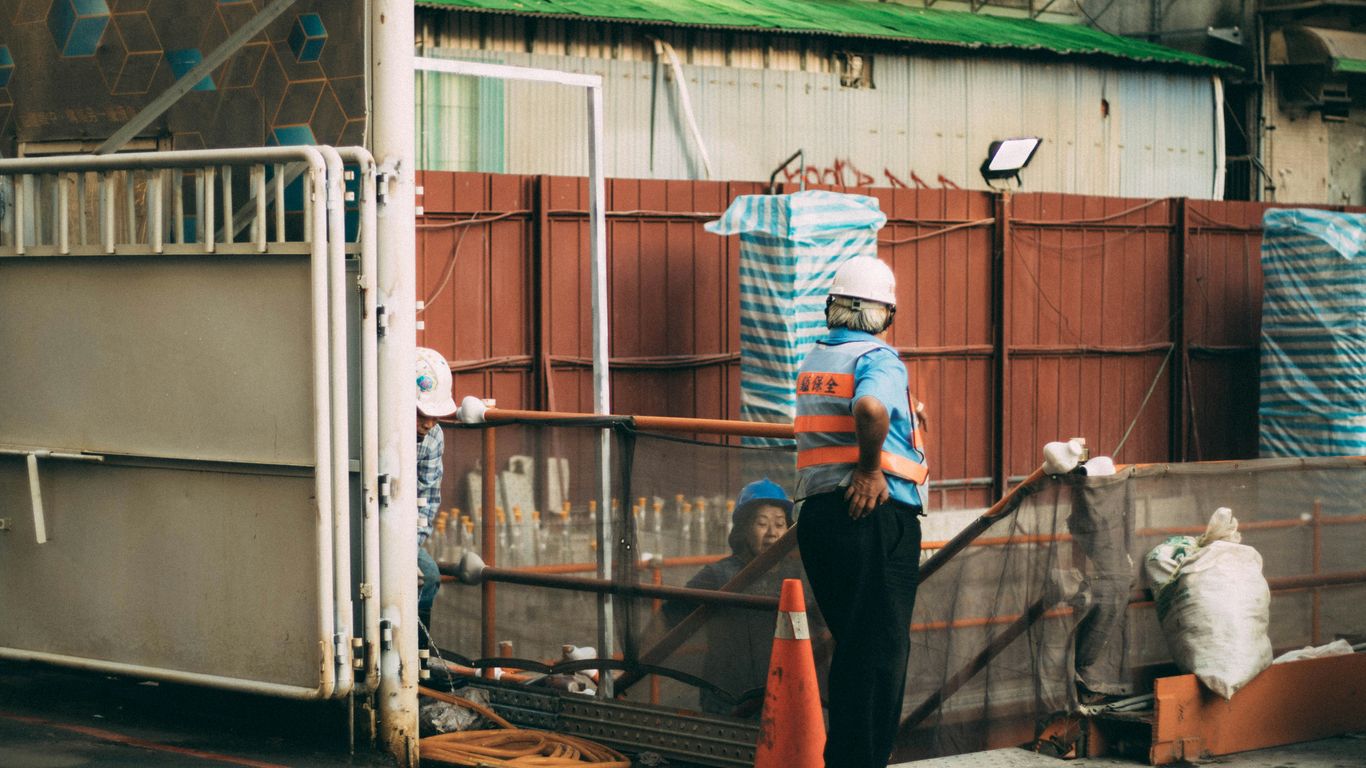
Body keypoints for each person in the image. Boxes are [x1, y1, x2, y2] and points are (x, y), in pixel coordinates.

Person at [793, 256, 928, 768]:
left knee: (854, 649)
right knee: (881, 657)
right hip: (870, 515)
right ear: (886, 313)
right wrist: (871, 471)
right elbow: (870, 410)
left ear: (833, 306)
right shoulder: (880, 358)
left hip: (820, 518)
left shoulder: (815, 359)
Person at [662, 478, 805, 717]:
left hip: (784, 693)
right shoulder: (719, 575)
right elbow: (673, 612)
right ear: (743, 528)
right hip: (726, 698)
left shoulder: (796, 576)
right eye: (762, 523)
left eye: (780, 524)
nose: (772, 533)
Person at [416, 346, 458, 648]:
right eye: (421, 413)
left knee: (427, 575)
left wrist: (407, 549)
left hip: (400, 534)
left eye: (434, 415)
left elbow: (428, 498)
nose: (429, 422)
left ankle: (420, 658)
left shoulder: (433, 436)